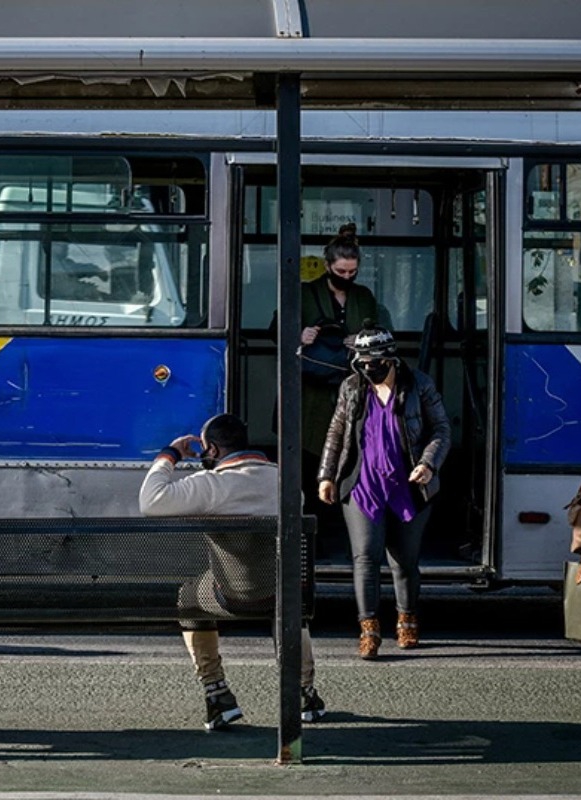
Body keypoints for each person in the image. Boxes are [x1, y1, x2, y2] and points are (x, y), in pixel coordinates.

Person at [139, 412, 325, 731]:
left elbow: (150, 501)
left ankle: (217, 693)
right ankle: (304, 691)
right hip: (282, 592)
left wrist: (170, 454)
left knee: (188, 597)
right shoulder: (282, 480)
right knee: (289, 602)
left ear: (212, 450)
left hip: (233, 596)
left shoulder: (212, 485)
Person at [317, 323, 450, 660]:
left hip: (409, 485)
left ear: (391, 359)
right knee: (365, 557)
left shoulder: (419, 385)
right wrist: (327, 476)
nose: (368, 368)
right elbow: (336, 433)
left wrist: (428, 463)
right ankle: (369, 628)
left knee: (404, 561)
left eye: (374, 362)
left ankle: (407, 620)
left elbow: (441, 429)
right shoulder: (352, 387)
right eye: (362, 363)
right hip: (363, 485)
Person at [270, 223, 377, 519]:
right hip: (308, 391)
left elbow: (382, 335)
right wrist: (298, 334)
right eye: (341, 271)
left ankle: (341, 518)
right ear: (328, 265)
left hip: (350, 387)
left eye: (352, 272)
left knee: (347, 452)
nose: (346, 277)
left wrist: (361, 340)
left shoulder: (363, 296)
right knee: (307, 459)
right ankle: (310, 521)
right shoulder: (303, 293)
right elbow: (275, 330)